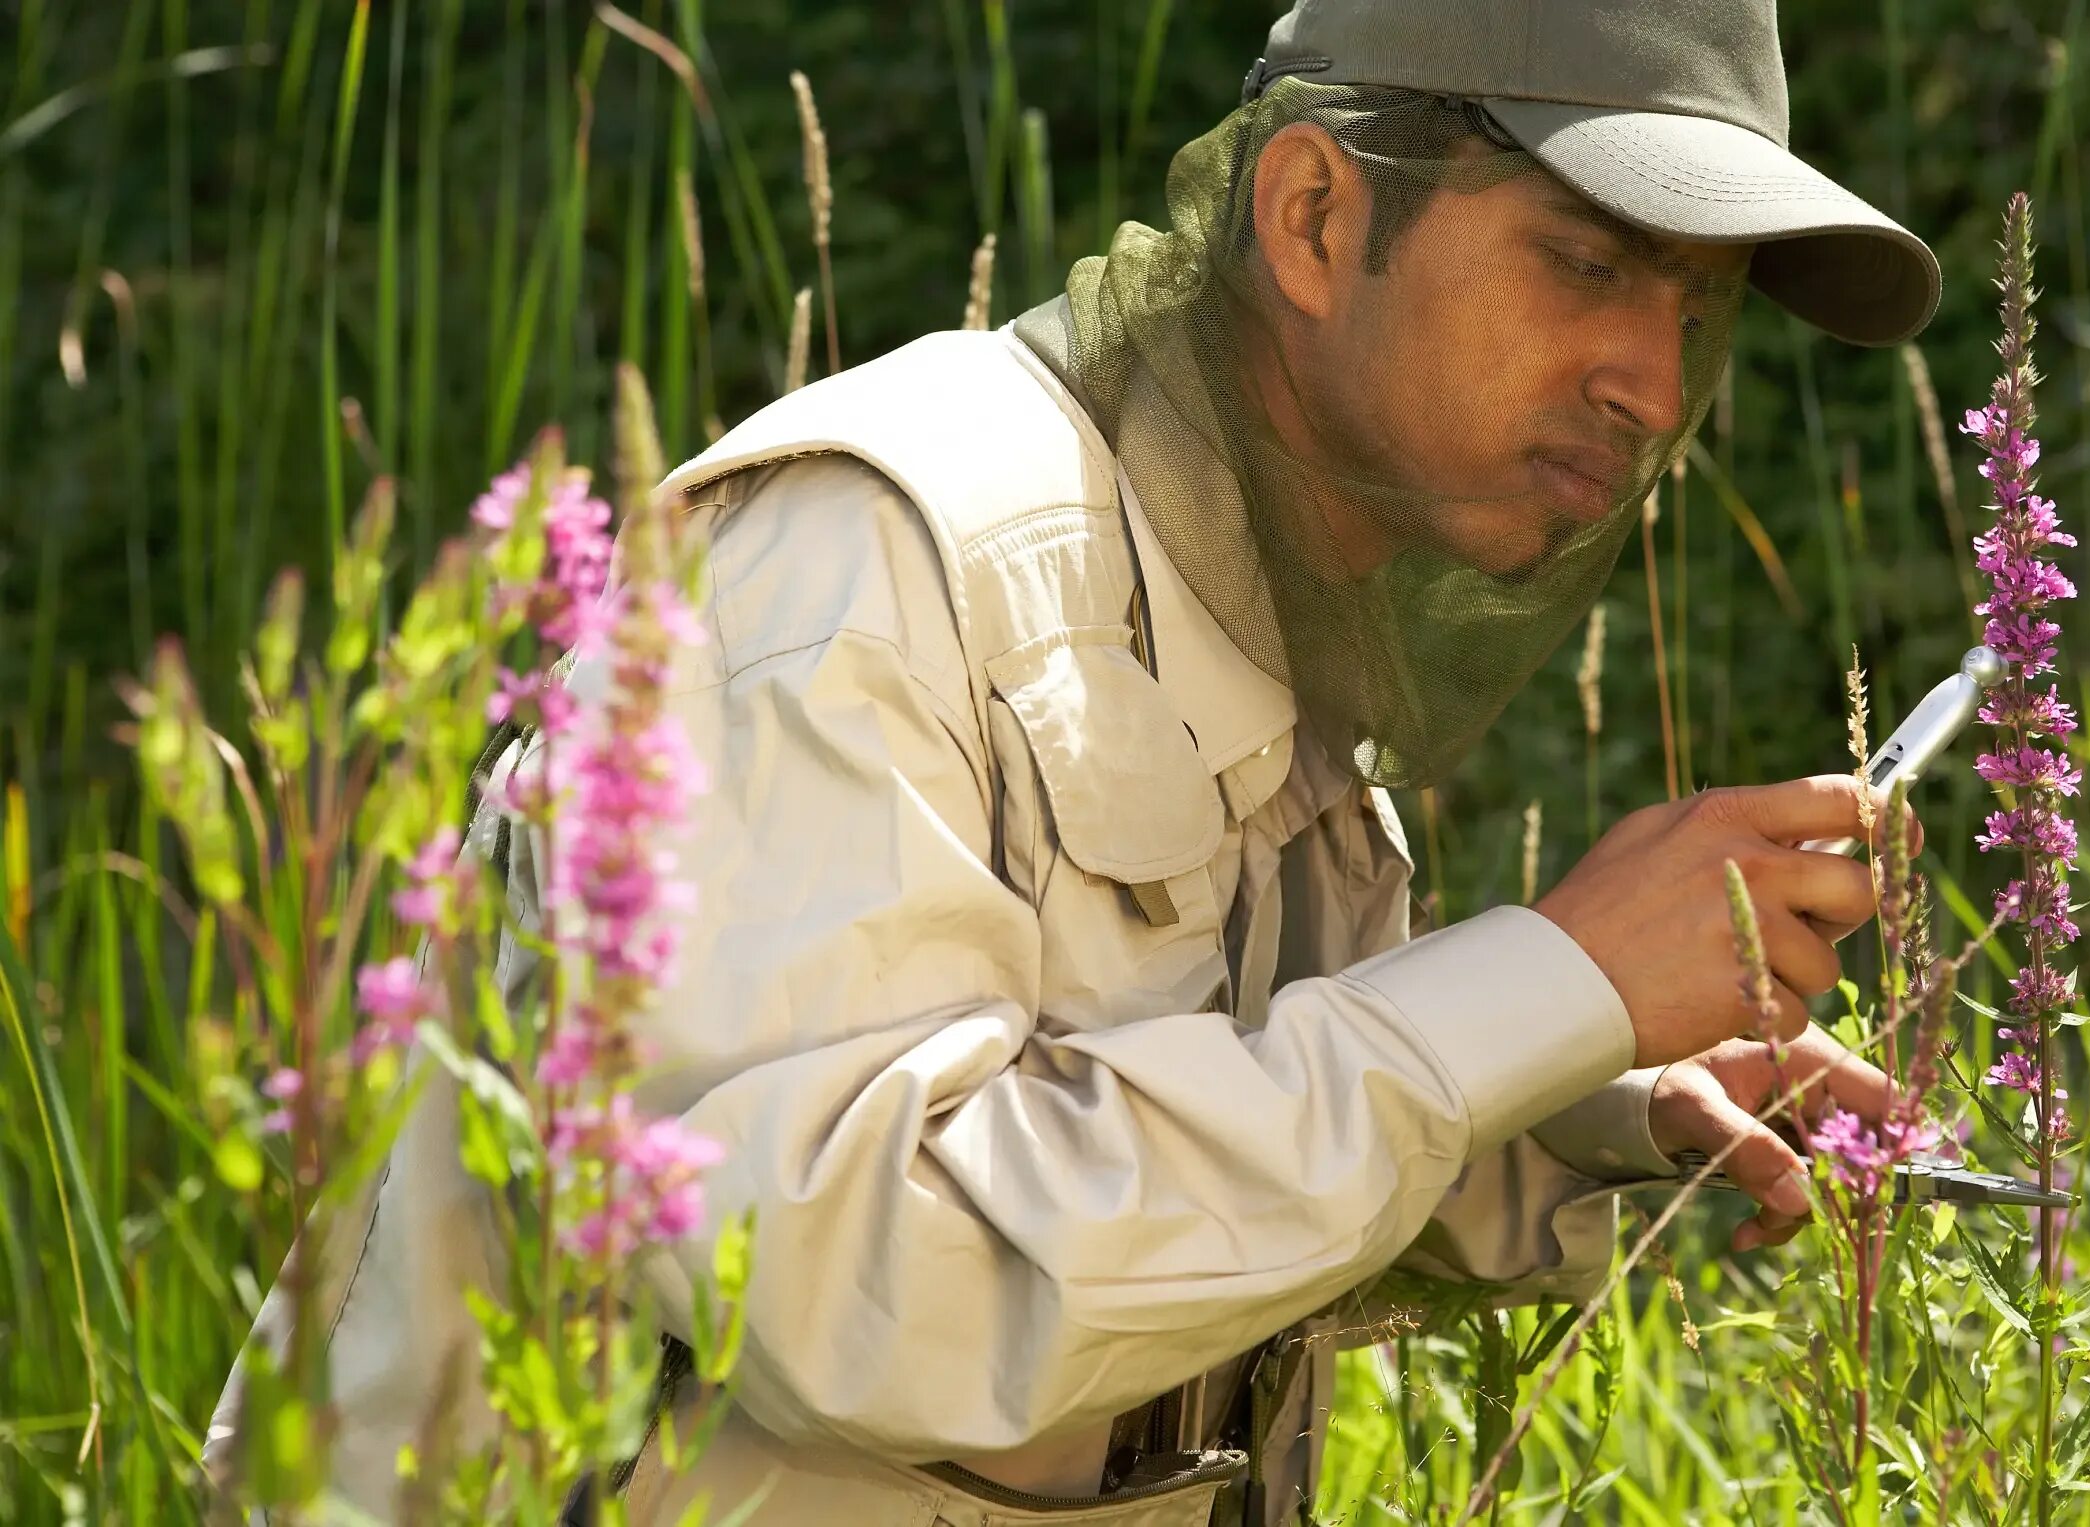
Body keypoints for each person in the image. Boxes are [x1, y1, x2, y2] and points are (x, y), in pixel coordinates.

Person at [207, 0, 1944, 1521]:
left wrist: (1579, 1097)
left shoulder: (1259, 611)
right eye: (1587, 260)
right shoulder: (870, 568)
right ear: (1319, 217)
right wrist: (1534, 979)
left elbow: (1159, 1189)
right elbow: (867, 1289)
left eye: (1700, 309)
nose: (1652, 382)